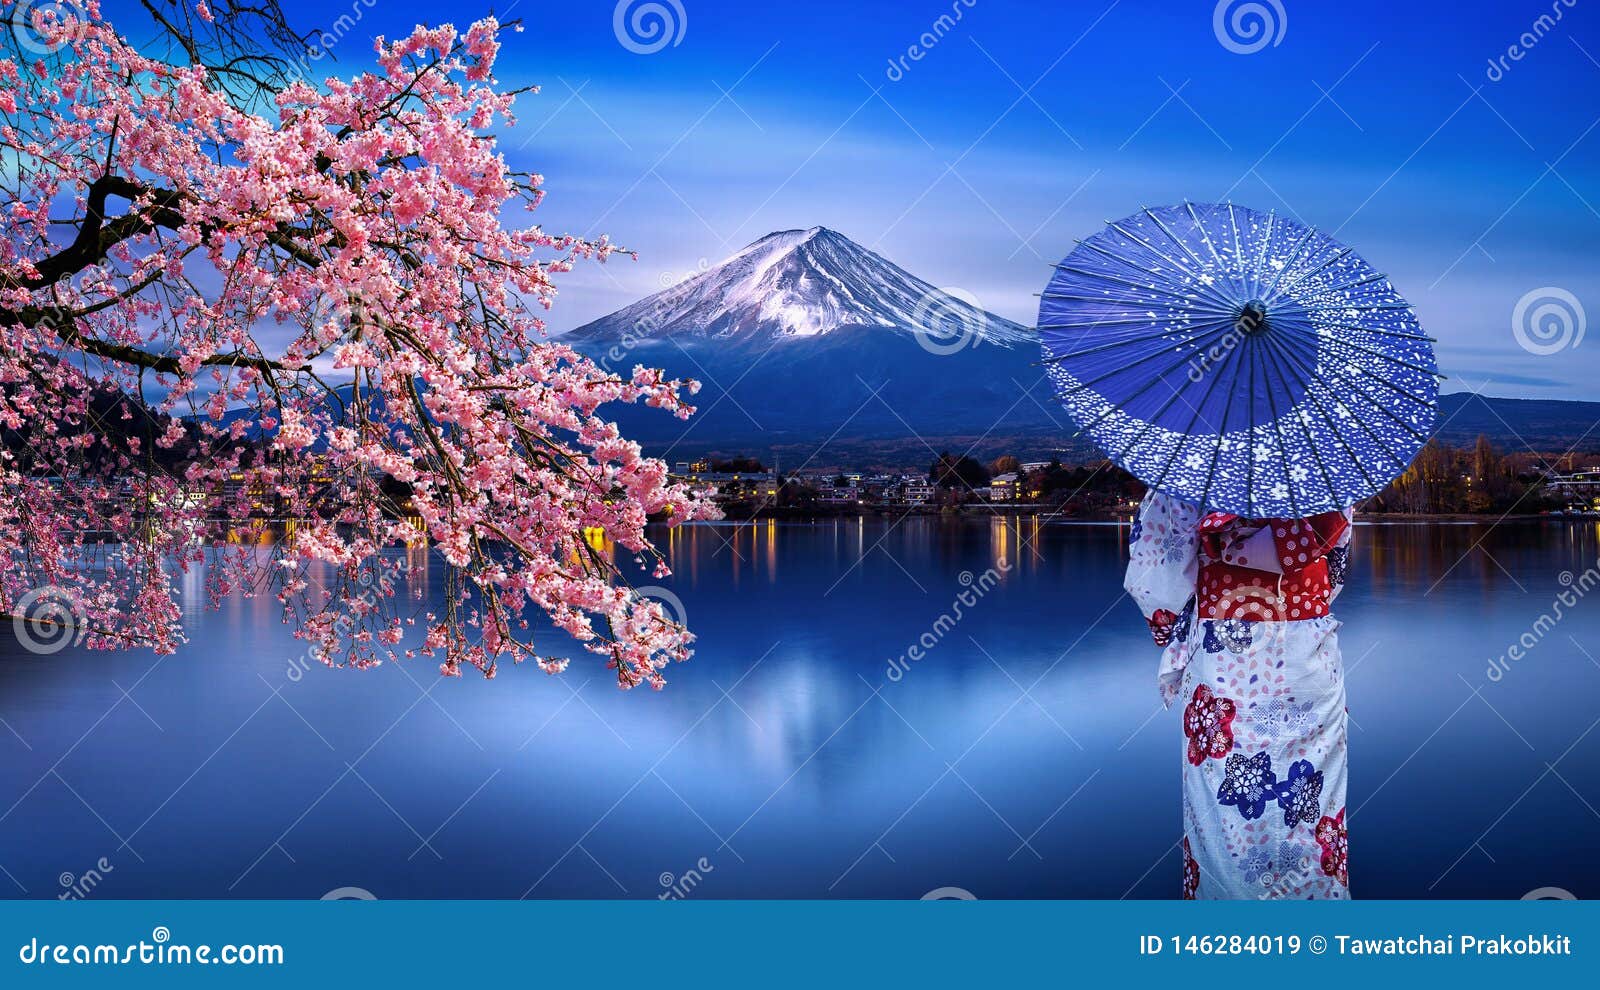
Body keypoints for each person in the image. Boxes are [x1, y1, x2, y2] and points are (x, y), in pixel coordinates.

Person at [1124, 490, 1353, 899]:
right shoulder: (1321, 466)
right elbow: (1334, 569)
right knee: (1310, 814)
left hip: (1225, 663)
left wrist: (1174, 626)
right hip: (1308, 659)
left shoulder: (1194, 465)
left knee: (1225, 826)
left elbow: (1155, 578)